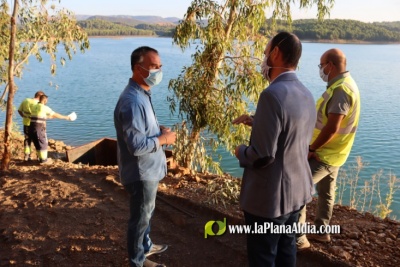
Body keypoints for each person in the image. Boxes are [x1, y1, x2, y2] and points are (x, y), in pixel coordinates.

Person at [233, 32, 317, 267]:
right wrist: (257, 120)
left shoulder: (271, 95)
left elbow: (263, 156)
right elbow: (292, 131)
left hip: (270, 200)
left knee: (263, 256)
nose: (263, 59)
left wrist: (241, 152)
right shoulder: (306, 93)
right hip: (298, 192)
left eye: (265, 53)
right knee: (286, 249)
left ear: (276, 54)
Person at [114, 46, 176, 267]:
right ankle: (137, 262)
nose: (158, 71)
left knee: (146, 213)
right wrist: (165, 140)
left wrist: (159, 130)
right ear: (138, 68)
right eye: (153, 67)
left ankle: (145, 248)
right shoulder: (132, 101)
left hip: (149, 169)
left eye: (159, 66)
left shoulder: (142, 93)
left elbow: (141, 129)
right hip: (141, 173)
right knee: (139, 219)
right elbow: (137, 146)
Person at [296, 48, 361, 249]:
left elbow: (332, 127)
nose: (320, 69)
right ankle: (322, 232)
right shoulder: (346, 85)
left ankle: (298, 240)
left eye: (321, 65)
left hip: (323, 153)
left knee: (297, 190)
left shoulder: (341, 90)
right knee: (326, 193)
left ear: (330, 65)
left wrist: (311, 147)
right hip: (336, 153)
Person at [29, 94, 72, 164]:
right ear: (45, 100)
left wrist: (52, 117)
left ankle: (40, 159)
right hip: (39, 128)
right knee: (43, 143)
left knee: (37, 143)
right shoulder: (44, 107)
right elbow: (55, 114)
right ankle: (44, 161)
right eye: (46, 100)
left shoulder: (34, 107)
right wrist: (66, 117)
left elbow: (41, 116)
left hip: (32, 127)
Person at [18, 91, 45, 161]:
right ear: (39, 97)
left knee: (27, 140)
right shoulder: (39, 104)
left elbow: (19, 110)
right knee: (37, 140)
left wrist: (24, 116)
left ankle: (27, 156)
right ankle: (39, 157)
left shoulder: (26, 100)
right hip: (36, 125)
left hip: (26, 123)